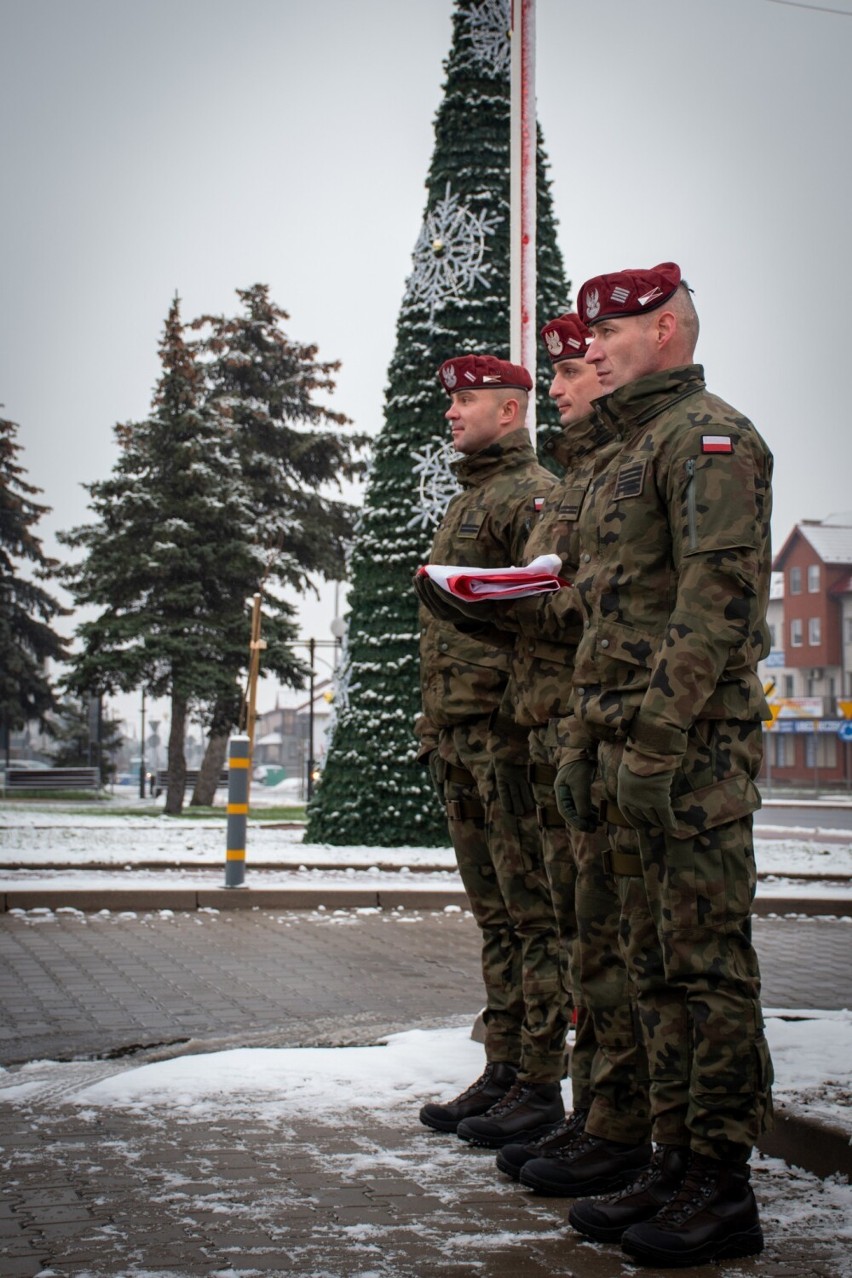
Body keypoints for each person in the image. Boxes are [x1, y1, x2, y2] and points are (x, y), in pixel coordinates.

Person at [552, 263, 774, 1267]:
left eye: (615, 330)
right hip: (626, 754)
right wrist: (584, 747)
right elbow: (605, 623)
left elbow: (716, 607)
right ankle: (674, 1162)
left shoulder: (708, 440)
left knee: (704, 971)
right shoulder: (632, 449)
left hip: (689, 758)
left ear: (669, 333)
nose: (592, 347)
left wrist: (652, 743)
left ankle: (720, 1185)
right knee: (651, 973)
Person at [414, 353, 568, 1149]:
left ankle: (539, 1082)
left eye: (468, 400)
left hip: (507, 741)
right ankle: (504, 1068)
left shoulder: (528, 493)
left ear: (510, 412)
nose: (453, 412)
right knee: (496, 918)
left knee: (530, 914)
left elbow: (539, 614)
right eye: (454, 401)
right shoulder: (474, 493)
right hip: (463, 736)